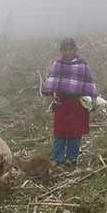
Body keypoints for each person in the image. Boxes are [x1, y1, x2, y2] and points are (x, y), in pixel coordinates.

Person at [41, 38, 99, 167]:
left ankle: (72, 158)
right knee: (59, 132)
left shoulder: (83, 66)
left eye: (71, 49)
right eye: (65, 50)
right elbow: (52, 83)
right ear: (61, 51)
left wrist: (94, 100)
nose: (68, 52)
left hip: (78, 104)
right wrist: (52, 96)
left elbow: (89, 84)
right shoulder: (58, 65)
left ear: (76, 50)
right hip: (62, 104)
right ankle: (57, 157)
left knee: (75, 133)